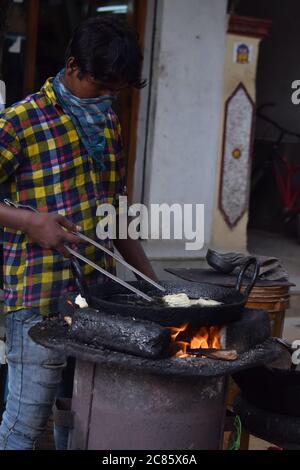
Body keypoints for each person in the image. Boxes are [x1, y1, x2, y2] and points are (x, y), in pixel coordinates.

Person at [0, 15, 157, 450]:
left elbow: (116, 210)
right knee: (25, 423)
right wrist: (30, 221)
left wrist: (152, 285)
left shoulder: (108, 124)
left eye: (116, 92)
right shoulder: (20, 121)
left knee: (81, 413)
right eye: (101, 87)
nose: (108, 99)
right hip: (37, 298)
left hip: (96, 296)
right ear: (73, 68)